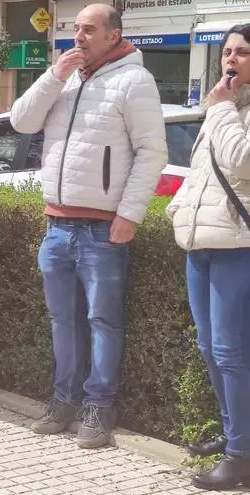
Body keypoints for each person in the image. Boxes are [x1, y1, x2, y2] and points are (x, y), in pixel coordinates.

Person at [10, 3, 167, 448]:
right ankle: (63, 400)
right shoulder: (66, 78)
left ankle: (98, 405)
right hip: (56, 226)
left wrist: (129, 215)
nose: (79, 37)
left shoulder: (134, 81)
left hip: (101, 229)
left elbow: (150, 152)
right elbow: (22, 121)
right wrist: (54, 75)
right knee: (63, 319)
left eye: (89, 30)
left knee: (102, 320)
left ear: (114, 35)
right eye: (76, 29)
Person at [167, 23, 250, 490]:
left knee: (232, 353)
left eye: (241, 52)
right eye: (226, 52)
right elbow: (201, 174)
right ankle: (235, 432)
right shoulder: (223, 109)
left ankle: (242, 455)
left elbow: (241, 160)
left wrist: (219, 111)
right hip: (201, 245)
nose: (231, 60)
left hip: (239, 247)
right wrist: (179, 210)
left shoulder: (225, 112)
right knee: (210, 348)